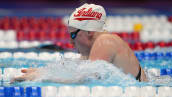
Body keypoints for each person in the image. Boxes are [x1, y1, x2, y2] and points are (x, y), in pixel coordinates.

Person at [11, 3, 147, 83]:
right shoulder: (93, 49)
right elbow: (75, 70)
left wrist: (44, 77)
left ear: (89, 32)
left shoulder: (105, 42)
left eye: (73, 34)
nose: (70, 41)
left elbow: (85, 78)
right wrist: (42, 71)